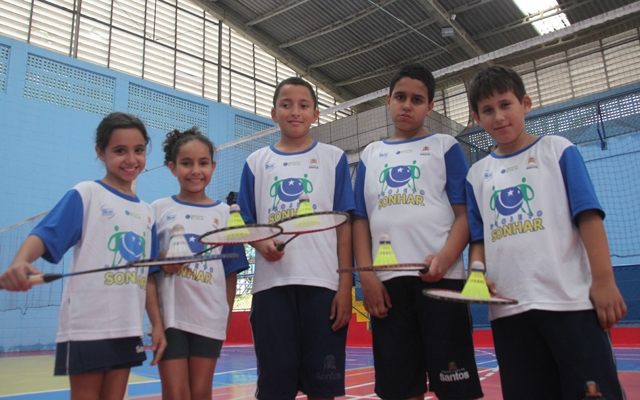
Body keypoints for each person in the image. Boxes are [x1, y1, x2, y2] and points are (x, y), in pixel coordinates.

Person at [466, 65, 627, 399]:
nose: (498, 116)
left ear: (525, 103)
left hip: (570, 303)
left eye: (505, 104)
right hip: (509, 312)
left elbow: (589, 218)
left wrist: (604, 281)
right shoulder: (476, 174)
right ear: (476, 117)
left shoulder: (558, 149)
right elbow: (479, 240)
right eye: (488, 110)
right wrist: (476, 273)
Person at [0, 112, 166, 400]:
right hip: (88, 326)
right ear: (100, 153)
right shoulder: (86, 193)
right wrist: (20, 262)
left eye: (138, 150)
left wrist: (157, 324)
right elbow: (45, 233)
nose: (131, 159)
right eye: (119, 151)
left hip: (127, 327)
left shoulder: (147, 211)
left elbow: (148, 275)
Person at [352, 64, 484, 400]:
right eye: (400, 97)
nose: (407, 105)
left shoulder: (445, 146)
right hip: (387, 286)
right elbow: (360, 221)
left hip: (441, 280)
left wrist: (445, 258)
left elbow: (464, 215)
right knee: (399, 388)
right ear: (388, 100)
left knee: (455, 387)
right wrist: (366, 277)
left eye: (417, 99)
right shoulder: (370, 154)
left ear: (430, 106)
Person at [236, 77, 355, 400]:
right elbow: (244, 221)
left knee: (323, 387)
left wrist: (346, 286)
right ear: (273, 113)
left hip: (324, 286)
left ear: (316, 114)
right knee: (275, 388)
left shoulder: (334, 158)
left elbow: (345, 225)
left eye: (303, 105)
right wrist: (261, 243)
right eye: (286, 105)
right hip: (271, 288)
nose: (294, 111)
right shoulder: (256, 162)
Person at [146, 127, 249, 400]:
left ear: (213, 166)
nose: (195, 170)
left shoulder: (225, 213)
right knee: (175, 393)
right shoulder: (157, 209)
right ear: (172, 167)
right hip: (171, 317)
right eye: (186, 163)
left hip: (209, 316)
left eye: (203, 163)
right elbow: (148, 267)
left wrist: (226, 315)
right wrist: (162, 261)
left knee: (201, 392)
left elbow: (230, 271)